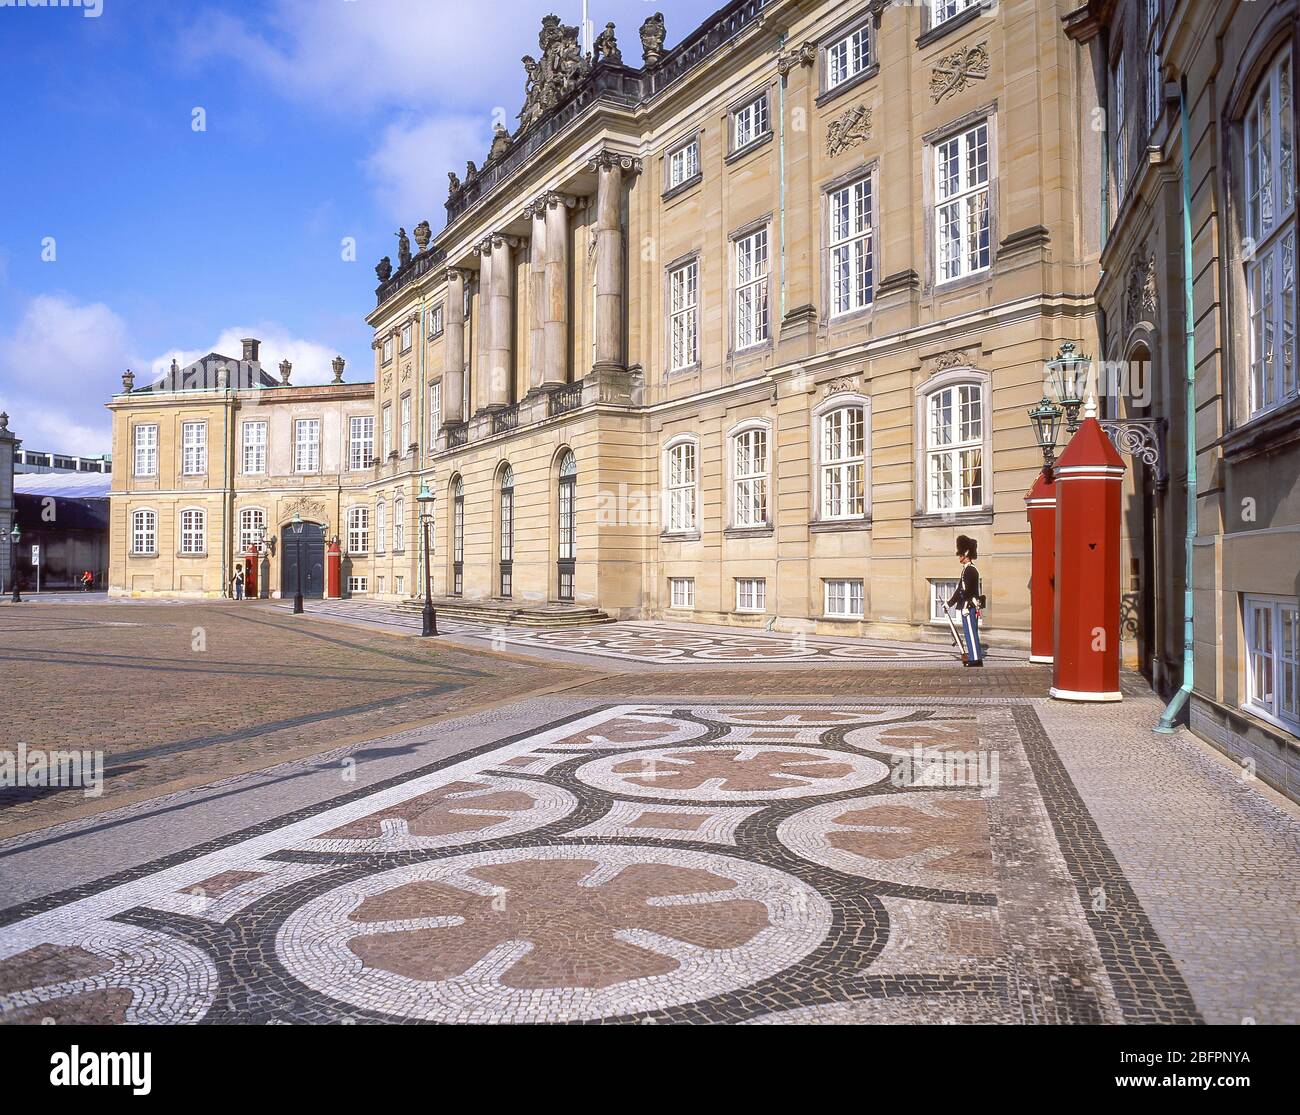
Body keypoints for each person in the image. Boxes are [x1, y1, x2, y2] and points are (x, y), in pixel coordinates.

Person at [946, 534, 984, 667]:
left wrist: (962, 603)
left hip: (968, 606)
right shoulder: (966, 570)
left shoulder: (970, 570)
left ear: (966, 553)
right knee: (968, 633)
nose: (959, 556)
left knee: (971, 633)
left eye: (961, 554)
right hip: (966, 605)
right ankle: (974, 656)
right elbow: (959, 589)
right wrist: (949, 603)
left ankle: (975, 659)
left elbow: (965, 591)